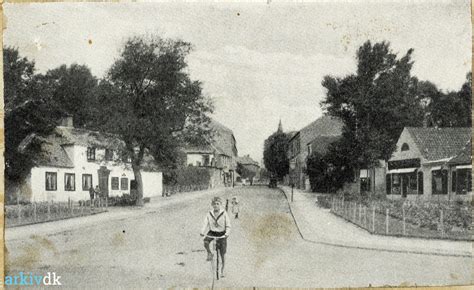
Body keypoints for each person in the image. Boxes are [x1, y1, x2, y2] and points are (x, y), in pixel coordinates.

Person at [200, 196, 231, 278]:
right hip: (212, 232)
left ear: (220, 205)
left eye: (218, 204)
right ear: (212, 205)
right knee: (205, 241)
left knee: (222, 254)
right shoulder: (209, 213)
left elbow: (228, 225)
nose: (216, 205)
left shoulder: (224, 213)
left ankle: (222, 270)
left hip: (222, 234)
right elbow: (205, 223)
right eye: (214, 204)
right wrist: (202, 231)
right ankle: (209, 253)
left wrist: (226, 234)